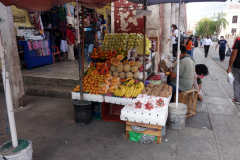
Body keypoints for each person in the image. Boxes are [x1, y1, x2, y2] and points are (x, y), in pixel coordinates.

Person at [227, 37, 240, 104]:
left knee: (237, 81)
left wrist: (229, 66)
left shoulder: (238, 39)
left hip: (238, 65)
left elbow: (234, 53)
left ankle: (237, 99)